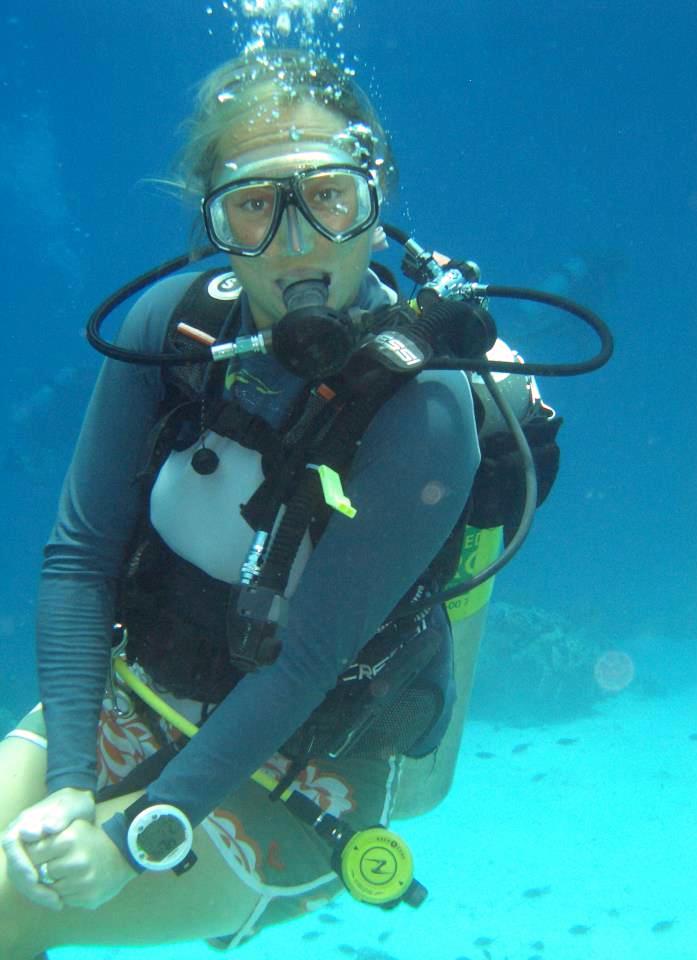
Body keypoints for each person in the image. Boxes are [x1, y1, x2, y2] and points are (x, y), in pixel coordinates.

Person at [0, 49, 490, 956]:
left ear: (376, 212)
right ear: (217, 224)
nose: (298, 242)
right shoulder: (172, 324)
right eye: (256, 205)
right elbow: (78, 557)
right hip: (133, 694)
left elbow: (301, 664)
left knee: (8, 910)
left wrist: (128, 839)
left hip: (301, 768)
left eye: (330, 196)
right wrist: (71, 782)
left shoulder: (426, 414)